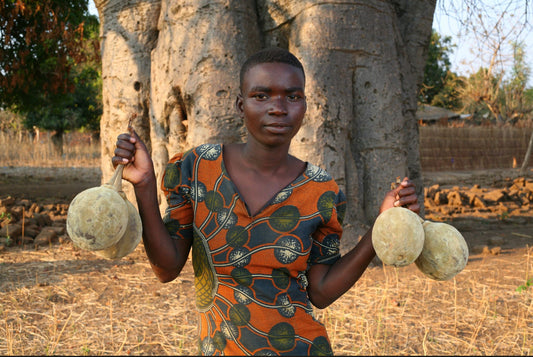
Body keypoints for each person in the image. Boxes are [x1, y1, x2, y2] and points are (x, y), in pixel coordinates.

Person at [112, 47, 420, 356]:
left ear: (304, 106)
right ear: (240, 104)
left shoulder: (320, 190)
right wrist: (145, 185)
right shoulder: (197, 169)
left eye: (292, 96)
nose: (278, 107)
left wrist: (380, 229)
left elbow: (322, 292)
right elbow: (166, 269)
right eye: (261, 96)